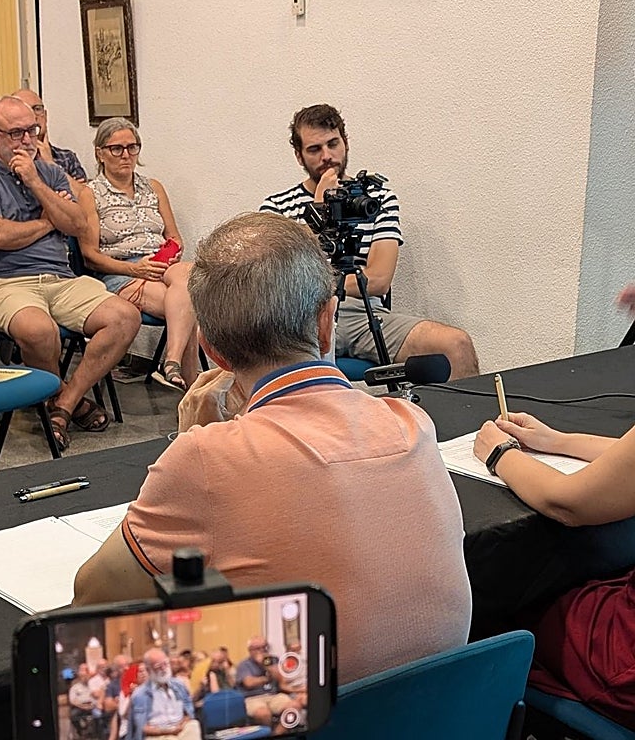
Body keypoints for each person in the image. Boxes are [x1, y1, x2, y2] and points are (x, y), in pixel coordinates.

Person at [72, 212, 472, 683]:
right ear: (327, 323)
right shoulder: (411, 424)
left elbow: (93, 597)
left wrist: (196, 441)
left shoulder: (205, 458)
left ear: (211, 350)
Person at [0, 95, 140, 451]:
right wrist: (46, 221)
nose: (28, 140)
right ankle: (64, 399)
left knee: (124, 317)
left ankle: (63, 406)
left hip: (59, 278)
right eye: (16, 133)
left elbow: (77, 224)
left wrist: (37, 183)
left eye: (32, 130)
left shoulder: (50, 172)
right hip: (3, 281)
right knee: (38, 330)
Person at [260, 103, 479, 379]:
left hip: (362, 315)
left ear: (345, 142)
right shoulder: (276, 207)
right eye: (315, 149)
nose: (327, 156)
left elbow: (377, 280)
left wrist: (313, 283)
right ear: (299, 156)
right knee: (244, 363)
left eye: (333, 144)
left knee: (455, 345)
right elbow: (274, 279)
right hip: (298, 320)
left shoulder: (375, 199)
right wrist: (321, 209)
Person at [472, 413, 635, 728]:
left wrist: (500, 454)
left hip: (623, 662)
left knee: (506, 603)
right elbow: (625, 464)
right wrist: (555, 441)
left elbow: (566, 503)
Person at [78, 118, 199, 390]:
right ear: (100, 153)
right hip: (120, 270)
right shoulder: (90, 193)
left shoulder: (153, 187)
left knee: (190, 274)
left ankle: (172, 362)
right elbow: (89, 255)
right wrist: (135, 270)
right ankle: (188, 385)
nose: (126, 155)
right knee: (189, 303)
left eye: (132, 148)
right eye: (117, 149)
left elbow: (174, 237)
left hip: (160, 264)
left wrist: (167, 256)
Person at [12, 88, 87, 181]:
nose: (33, 116)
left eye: (37, 109)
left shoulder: (67, 158)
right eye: (25, 109)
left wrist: (51, 164)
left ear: (46, 116)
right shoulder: (9, 158)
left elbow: (82, 194)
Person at [128, 648, 201, 740]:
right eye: (158, 666)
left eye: (165, 664)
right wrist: (168, 731)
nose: (163, 669)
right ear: (149, 669)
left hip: (180, 727)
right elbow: (142, 728)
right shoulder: (140, 694)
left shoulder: (178, 685)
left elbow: (188, 712)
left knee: (194, 725)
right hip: (158, 733)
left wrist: (182, 724)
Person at [234, 637, 297, 725]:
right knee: (263, 714)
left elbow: (280, 678)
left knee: (294, 706)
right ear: (250, 650)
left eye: (264, 647)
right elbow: (249, 683)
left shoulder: (274, 660)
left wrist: (266, 664)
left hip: (273, 695)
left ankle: (278, 733)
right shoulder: (244, 665)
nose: (262, 650)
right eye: (258, 648)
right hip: (253, 698)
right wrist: (267, 679)